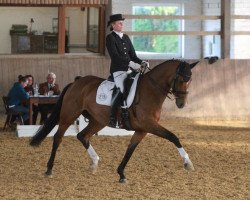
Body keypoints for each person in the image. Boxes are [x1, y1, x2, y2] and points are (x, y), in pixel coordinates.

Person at [106, 13, 149, 127]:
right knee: (121, 88)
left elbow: (133, 55)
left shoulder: (126, 37)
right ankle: (113, 117)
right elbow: (115, 56)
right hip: (118, 71)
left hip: (129, 70)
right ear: (113, 25)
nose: (122, 25)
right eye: (120, 23)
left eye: (122, 23)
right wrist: (130, 63)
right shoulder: (110, 38)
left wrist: (142, 62)